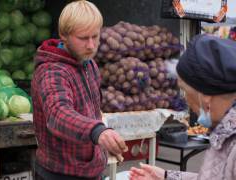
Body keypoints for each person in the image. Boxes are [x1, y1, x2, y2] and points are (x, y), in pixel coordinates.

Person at [31, 1, 128, 179]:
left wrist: (103, 147)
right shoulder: (52, 71)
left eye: (95, 36)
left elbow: (93, 113)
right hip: (60, 174)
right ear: (64, 35)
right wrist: (98, 132)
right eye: (83, 38)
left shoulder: (89, 64)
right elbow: (58, 114)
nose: (91, 45)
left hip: (89, 170)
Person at [129, 35, 236, 180]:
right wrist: (167, 177)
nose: (185, 98)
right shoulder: (226, 134)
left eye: (185, 90)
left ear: (205, 96)